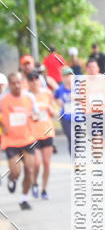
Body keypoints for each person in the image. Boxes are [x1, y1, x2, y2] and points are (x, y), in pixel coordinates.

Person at [0, 72, 38, 210]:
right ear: (9, 85)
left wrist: (34, 116)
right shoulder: (3, 99)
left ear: (22, 83)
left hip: (27, 138)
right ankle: (12, 178)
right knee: (16, 172)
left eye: (18, 82)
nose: (16, 85)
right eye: (13, 83)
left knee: (29, 169)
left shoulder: (29, 97)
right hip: (11, 141)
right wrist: (2, 126)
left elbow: (36, 113)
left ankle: (24, 199)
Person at [26, 71, 55, 199]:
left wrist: (50, 109)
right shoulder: (26, 97)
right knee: (37, 163)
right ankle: (34, 183)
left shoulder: (47, 93)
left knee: (47, 163)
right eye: (32, 80)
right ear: (28, 82)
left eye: (36, 79)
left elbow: (54, 111)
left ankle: (44, 189)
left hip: (47, 131)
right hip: (33, 134)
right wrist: (32, 115)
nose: (34, 82)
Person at [85, 57, 105, 144]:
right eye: (90, 67)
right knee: (96, 139)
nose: (92, 69)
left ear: (98, 68)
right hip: (89, 113)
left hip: (103, 112)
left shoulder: (104, 79)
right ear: (86, 69)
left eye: (94, 67)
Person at [54, 67, 74, 153]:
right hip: (65, 117)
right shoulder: (60, 89)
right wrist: (59, 102)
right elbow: (55, 98)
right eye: (66, 76)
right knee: (71, 138)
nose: (68, 78)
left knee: (78, 138)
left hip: (78, 116)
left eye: (70, 76)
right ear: (63, 78)